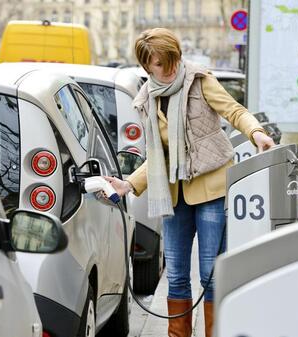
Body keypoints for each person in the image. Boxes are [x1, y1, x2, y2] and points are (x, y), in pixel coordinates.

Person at [105, 28, 275, 337]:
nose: (169, 68)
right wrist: (128, 184)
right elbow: (159, 157)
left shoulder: (200, 81)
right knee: (177, 275)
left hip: (211, 187)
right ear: (147, 67)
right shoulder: (147, 100)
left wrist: (257, 133)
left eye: (172, 60)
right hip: (172, 194)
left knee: (211, 272)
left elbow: (234, 111)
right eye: (160, 63)